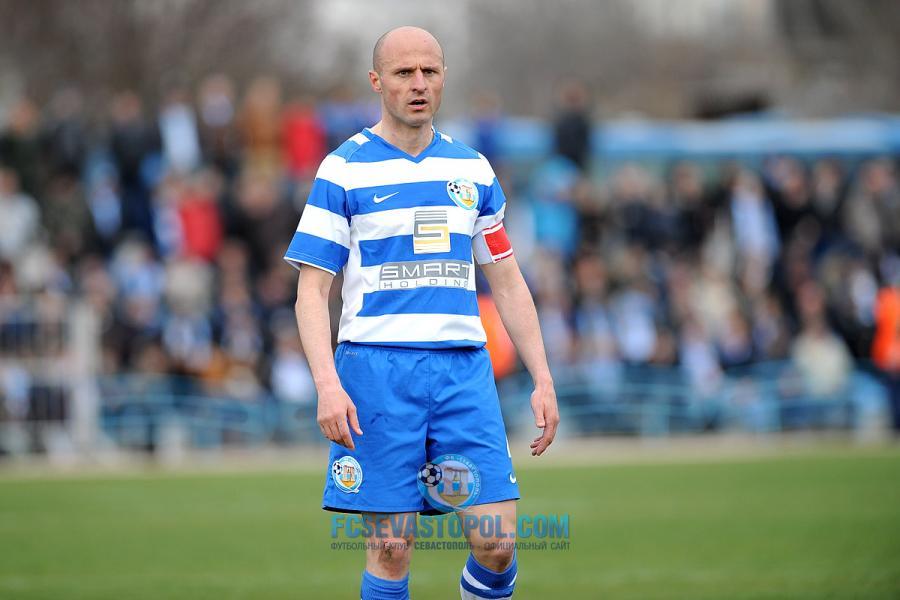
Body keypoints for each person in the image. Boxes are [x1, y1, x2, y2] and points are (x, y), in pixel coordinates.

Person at [284, 26, 559, 600]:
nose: (418, 84)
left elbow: (507, 279)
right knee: (391, 548)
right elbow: (312, 291)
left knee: (497, 541)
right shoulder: (343, 169)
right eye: (404, 72)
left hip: (462, 371)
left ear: (443, 78)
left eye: (429, 72)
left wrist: (542, 376)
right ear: (376, 81)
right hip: (375, 373)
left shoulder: (473, 169)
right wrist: (327, 385)